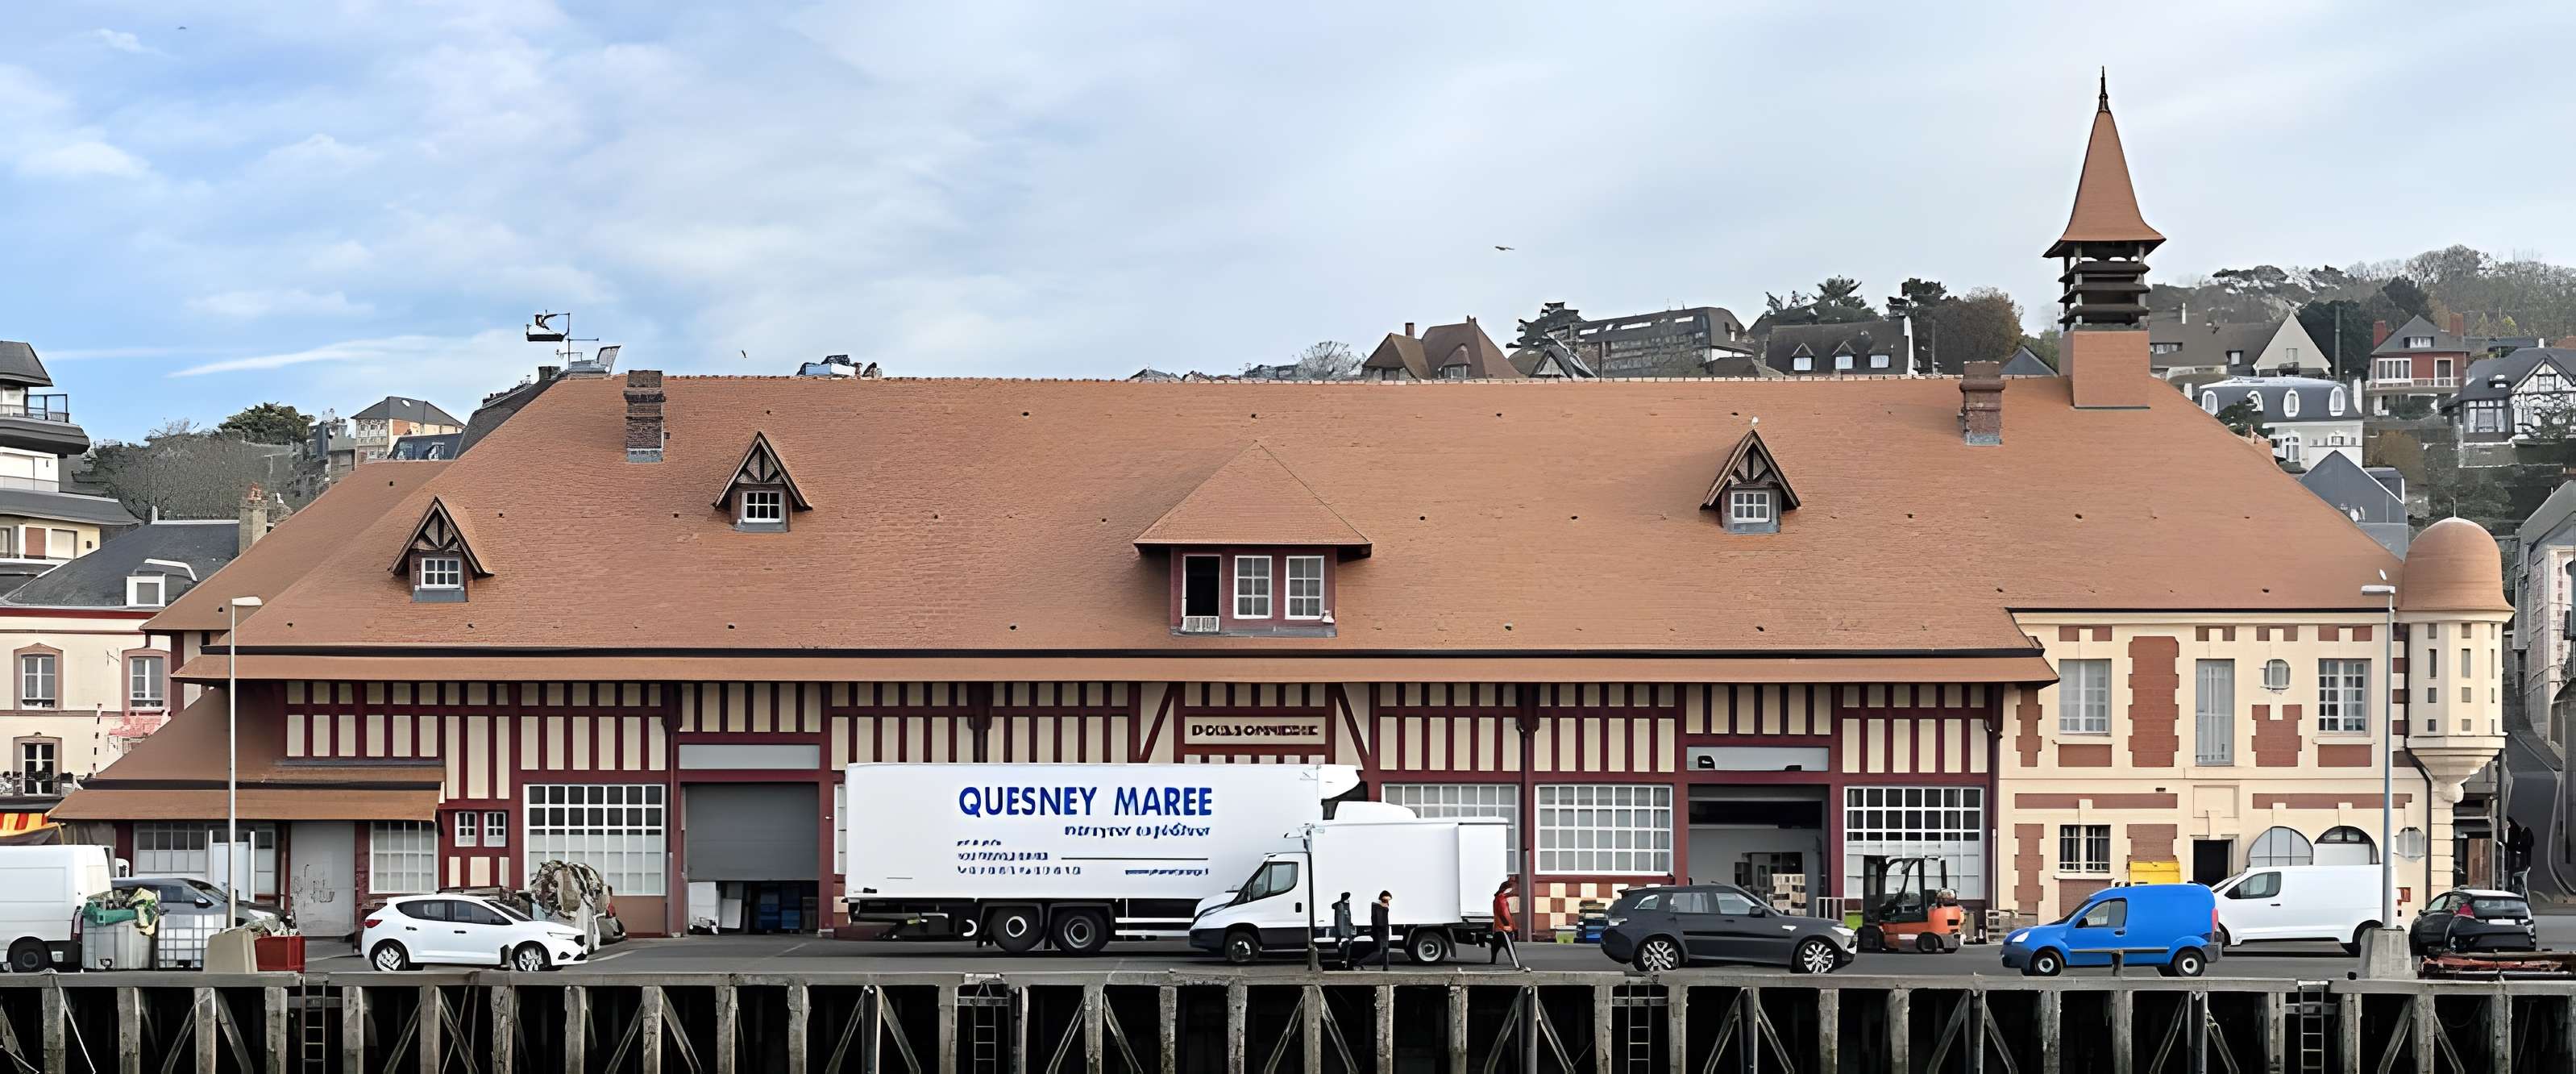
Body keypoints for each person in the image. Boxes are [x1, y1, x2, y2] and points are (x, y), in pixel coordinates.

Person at [1487, 880, 1523, 968]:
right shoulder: (1501, 899)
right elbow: (1504, 913)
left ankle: (1493, 960)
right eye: (1511, 889)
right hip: (1504, 928)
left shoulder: (1497, 898)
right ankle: (1516, 963)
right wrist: (1508, 925)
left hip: (1498, 927)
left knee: (1495, 947)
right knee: (1510, 946)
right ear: (1507, 889)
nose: (1511, 890)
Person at [1331, 892, 1357, 969]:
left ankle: (1344, 962)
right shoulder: (1342, 906)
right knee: (1345, 946)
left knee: (1345, 946)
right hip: (1344, 931)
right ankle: (1344, 962)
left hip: (1345, 930)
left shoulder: (1343, 905)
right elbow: (1341, 920)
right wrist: (1343, 934)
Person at [1369, 890, 1393, 970]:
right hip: (1382, 931)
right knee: (1382, 951)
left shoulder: (1379, 906)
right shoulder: (1379, 906)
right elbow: (1379, 920)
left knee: (1384, 950)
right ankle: (1360, 963)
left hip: (1383, 930)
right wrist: (1382, 929)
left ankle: (1386, 967)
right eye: (1387, 900)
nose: (1388, 902)